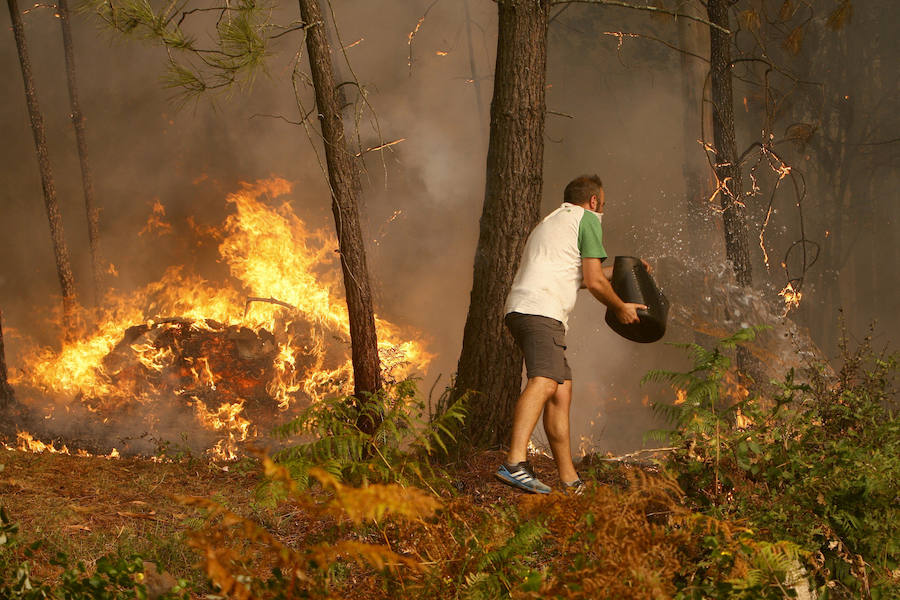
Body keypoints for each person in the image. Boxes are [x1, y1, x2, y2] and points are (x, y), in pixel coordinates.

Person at [495, 174, 648, 494]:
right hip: (541, 312)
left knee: (560, 390)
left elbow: (576, 276)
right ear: (594, 201)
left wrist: (623, 273)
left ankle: (569, 480)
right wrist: (621, 307)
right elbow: (594, 282)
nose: (602, 209)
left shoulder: (553, 222)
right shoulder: (588, 219)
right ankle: (514, 463)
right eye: (602, 203)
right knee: (546, 380)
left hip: (526, 309)